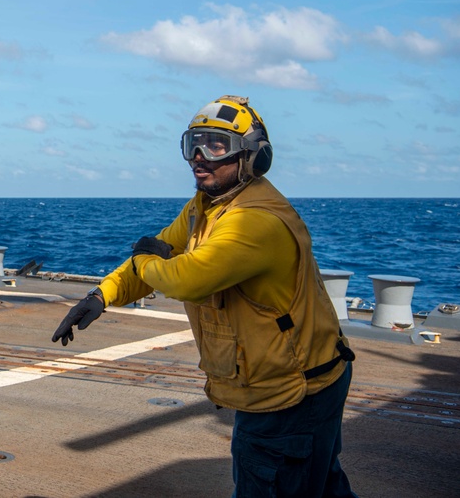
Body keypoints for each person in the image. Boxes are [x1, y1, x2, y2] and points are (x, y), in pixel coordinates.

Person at [52, 95, 357, 498]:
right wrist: (102, 294)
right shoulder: (205, 207)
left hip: (289, 395)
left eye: (216, 145)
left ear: (253, 155)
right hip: (292, 381)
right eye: (192, 144)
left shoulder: (255, 220)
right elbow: (164, 247)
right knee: (320, 487)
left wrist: (143, 260)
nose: (199, 156)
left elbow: (186, 278)